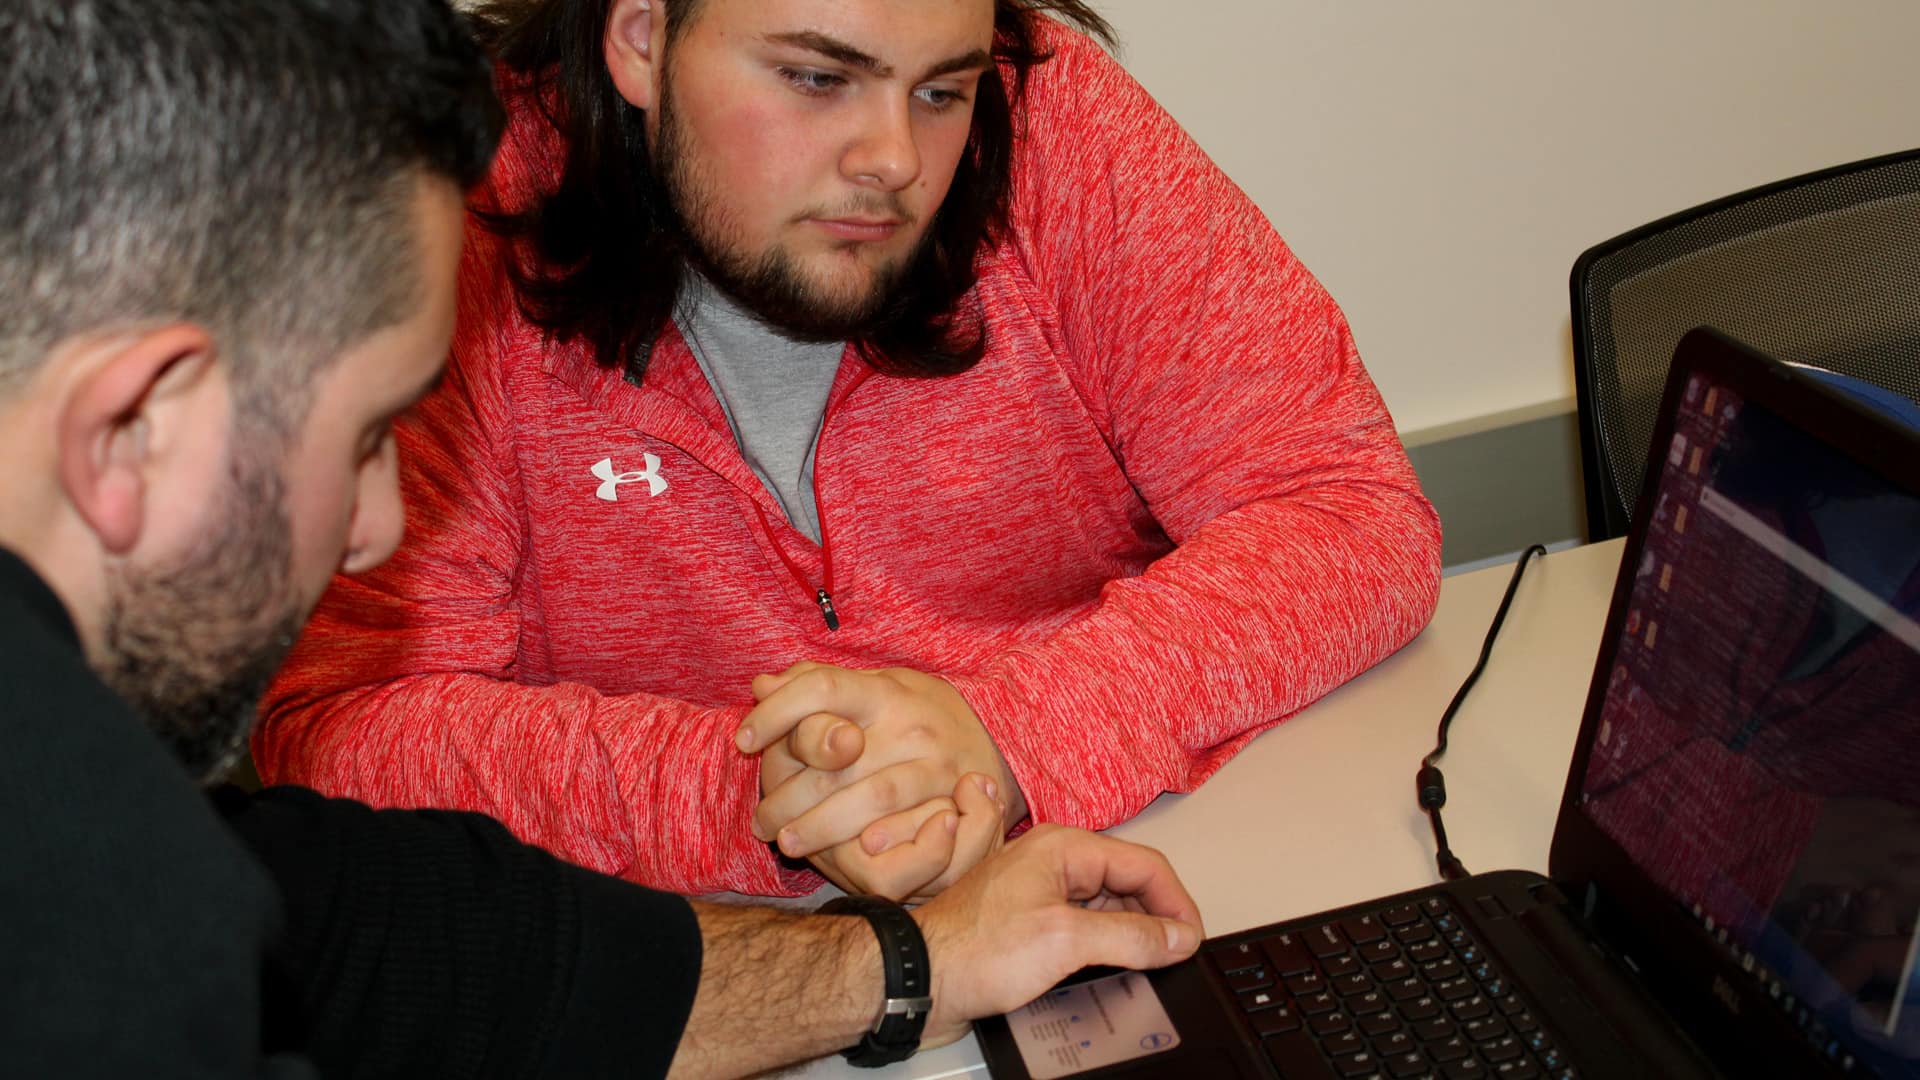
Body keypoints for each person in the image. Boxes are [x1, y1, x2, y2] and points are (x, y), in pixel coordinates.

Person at [0, 1, 1206, 1075]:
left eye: (941, 91)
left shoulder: (118, 845)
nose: (379, 529)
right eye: (373, 436)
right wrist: (775, 795)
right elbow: (341, 754)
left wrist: (904, 965)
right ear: (125, 427)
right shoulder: (89, 917)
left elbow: (364, 934)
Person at [253, 0, 1445, 902]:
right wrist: (765, 797)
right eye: (820, 78)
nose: (893, 160)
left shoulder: (1054, 121)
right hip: (697, 949)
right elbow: (341, 727)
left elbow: (1348, 511)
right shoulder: (456, 212)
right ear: (638, 40)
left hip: (1124, 848)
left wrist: (1009, 736)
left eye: (942, 90)